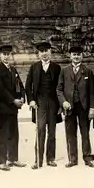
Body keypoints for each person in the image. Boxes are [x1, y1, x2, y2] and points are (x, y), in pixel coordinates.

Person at [56, 45, 94, 168]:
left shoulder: (87, 71)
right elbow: (59, 89)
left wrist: (92, 108)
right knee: (70, 133)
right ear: (70, 56)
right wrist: (63, 102)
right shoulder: (64, 70)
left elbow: (92, 92)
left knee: (85, 133)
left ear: (82, 56)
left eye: (79, 54)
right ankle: (72, 159)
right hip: (69, 107)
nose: (76, 57)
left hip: (83, 107)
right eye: (74, 54)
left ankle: (87, 158)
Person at [25, 41, 62, 169]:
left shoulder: (56, 68)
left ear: (50, 52)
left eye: (47, 51)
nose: (44, 54)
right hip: (39, 103)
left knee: (52, 131)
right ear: (38, 53)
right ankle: (38, 160)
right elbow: (28, 86)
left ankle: (50, 158)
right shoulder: (34, 67)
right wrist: (31, 100)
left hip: (53, 102)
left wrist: (61, 104)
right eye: (42, 51)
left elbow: (60, 87)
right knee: (40, 130)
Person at [0, 45, 26, 171]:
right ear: (0, 56)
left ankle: (13, 158)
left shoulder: (14, 70)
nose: (6, 56)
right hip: (3, 107)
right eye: (4, 54)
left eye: (8, 54)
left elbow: (20, 86)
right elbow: (0, 90)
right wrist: (13, 100)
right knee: (2, 134)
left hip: (14, 108)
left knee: (13, 133)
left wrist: (22, 97)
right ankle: (1, 161)